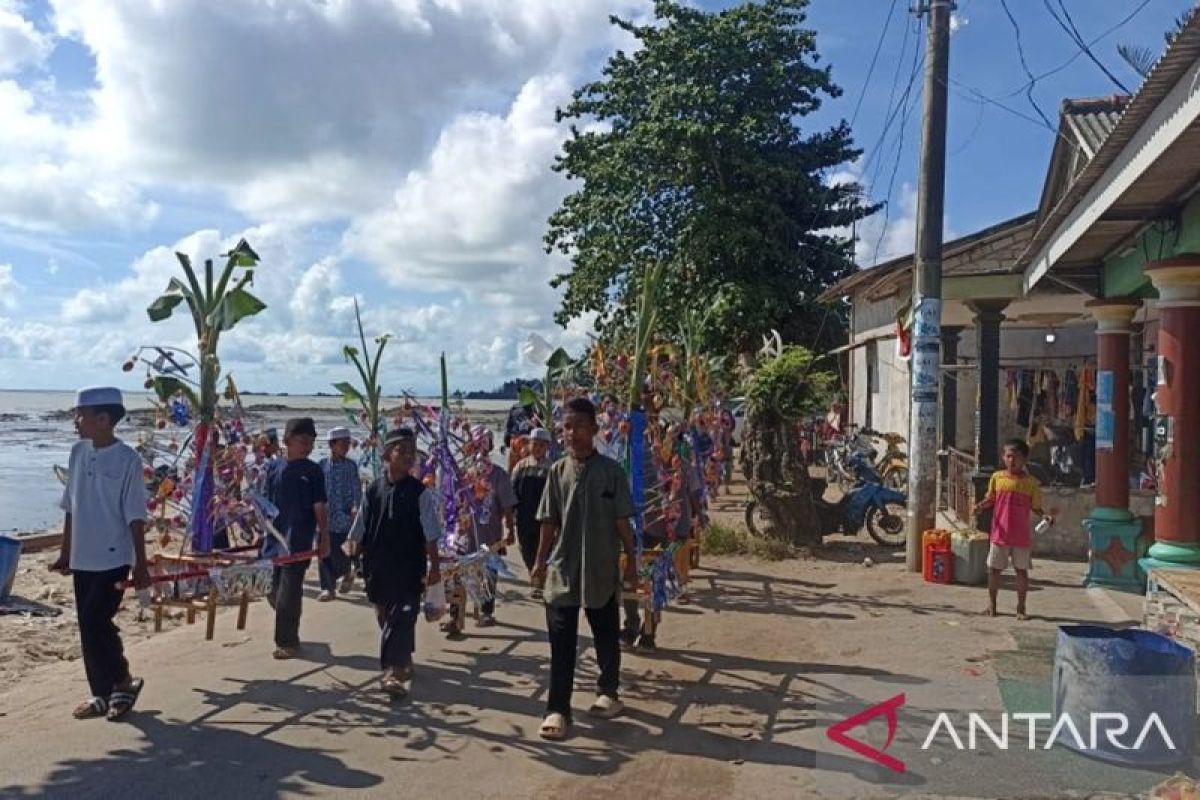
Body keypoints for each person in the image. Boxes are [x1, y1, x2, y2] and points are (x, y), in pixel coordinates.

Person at [532, 397, 639, 741]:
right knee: (561, 642)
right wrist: (538, 562)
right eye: (566, 426)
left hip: (600, 568)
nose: (571, 433)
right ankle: (557, 710)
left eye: (578, 426)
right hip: (563, 569)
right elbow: (549, 521)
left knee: (605, 633)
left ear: (594, 429)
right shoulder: (556, 471)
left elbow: (624, 524)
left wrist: (632, 564)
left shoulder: (611, 472)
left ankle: (609, 691)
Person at [51, 386, 152, 722]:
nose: (76, 422)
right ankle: (100, 692)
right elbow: (71, 506)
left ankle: (122, 680)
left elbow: (136, 515)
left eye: (81, 416)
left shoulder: (128, 460)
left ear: (104, 419)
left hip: (114, 555)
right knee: (86, 624)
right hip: (83, 556)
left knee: (98, 620)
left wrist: (140, 563)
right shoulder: (78, 453)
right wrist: (66, 552)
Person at [360, 428, 443, 697]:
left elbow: (431, 533)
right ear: (386, 455)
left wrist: (435, 569)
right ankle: (403, 657)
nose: (408, 456)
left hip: (409, 566)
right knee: (384, 614)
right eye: (401, 450)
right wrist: (351, 550)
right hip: (377, 564)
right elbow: (360, 524)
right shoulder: (373, 489)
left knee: (402, 615)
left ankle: (392, 672)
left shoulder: (421, 493)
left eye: (412, 452)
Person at [263, 418, 330, 659]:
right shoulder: (274, 468)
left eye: (311, 442)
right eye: (303, 441)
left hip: (299, 539)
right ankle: (287, 618)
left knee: (290, 591)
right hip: (273, 540)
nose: (308, 447)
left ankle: (288, 641)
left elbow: (320, 506)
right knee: (272, 590)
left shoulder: (313, 471)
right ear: (287, 441)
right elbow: (266, 501)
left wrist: (324, 537)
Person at [446, 426, 516, 630]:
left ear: (490, 447)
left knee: (488, 575)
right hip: (464, 534)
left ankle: (486, 612)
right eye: (476, 445)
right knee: (457, 574)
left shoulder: (499, 475)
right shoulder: (463, 474)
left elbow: (507, 505)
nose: (480, 450)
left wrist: (511, 529)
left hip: (490, 533)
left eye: (483, 445)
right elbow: (453, 503)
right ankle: (455, 617)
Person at [973, 438, 1051, 620]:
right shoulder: (997, 478)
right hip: (999, 534)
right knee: (994, 570)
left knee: (1021, 571)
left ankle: (1021, 607)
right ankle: (992, 604)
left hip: (1020, 536)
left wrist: (1044, 516)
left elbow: (1036, 507)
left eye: (1016, 457)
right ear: (1003, 457)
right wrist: (979, 507)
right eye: (1008, 457)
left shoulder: (1032, 483)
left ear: (1024, 459)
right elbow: (990, 498)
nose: (1011, 461)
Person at [318, 427, 361, 600]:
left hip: (344, 517)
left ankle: (346, 572)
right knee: (324, 552)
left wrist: (356, 509)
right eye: (342, 443)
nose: (346, 447)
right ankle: (328, 588)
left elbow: (356, 488)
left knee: (343, 552)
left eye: (348, 443)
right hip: (325, 517)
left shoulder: (350, 466)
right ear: (332, 445)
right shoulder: (322, 465)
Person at [511, 428, 554, 590]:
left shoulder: (552, 468)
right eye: (535, 444)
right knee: (526, 548)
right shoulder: (521, 467)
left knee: (544, 549)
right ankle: (535, 573)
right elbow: (512, 490)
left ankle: (539, 580)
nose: (537, 448)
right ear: (529, 445)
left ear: (547, 447)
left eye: (541, 445)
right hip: (524, 517)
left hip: (545, 518)